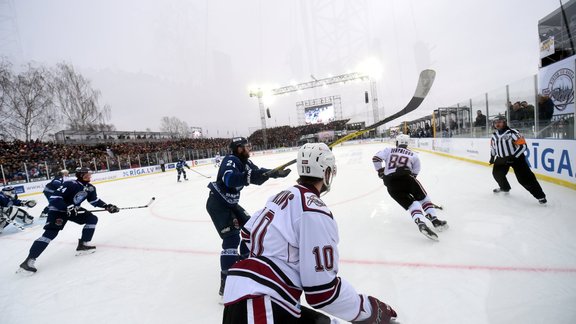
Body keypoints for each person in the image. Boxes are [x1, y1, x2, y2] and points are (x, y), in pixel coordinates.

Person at [223, 143, 398, 324]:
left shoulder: (279, 196)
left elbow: (246, 236)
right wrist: (369, 309)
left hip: (246, 296)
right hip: (260, 304)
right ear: (327, 173)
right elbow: (322, 293)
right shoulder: (314, 211)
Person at [206, 137, 291, 297]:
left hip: (229, 203)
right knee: (231, 240)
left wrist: (274, 173)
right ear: (238, 148)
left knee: (249, 229)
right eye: (246, 146)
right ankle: (227, 283)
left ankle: (244, 265)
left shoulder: (245, 162)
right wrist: (252, 176)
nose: (249, 149)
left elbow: (257, 173)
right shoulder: (231, 160)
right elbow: (229, 179)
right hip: (218, 204)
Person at [18, 167, 119, 273]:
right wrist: (66, 207)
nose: (89, 176)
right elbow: (55, 198)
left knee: (92, 219)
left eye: (89, 174)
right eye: (86, 174)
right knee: (50, 234)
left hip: (73, 211)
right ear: (80, 175)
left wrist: (107, 206)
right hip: (58, 211)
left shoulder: (90, 188)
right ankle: (28, 261)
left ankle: (83, 244)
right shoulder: (70, 184)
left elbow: (94, 201)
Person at [372, 134, 448, 241]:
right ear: (407, 143)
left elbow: (376, 158)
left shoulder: (389, 150)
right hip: (407, 179)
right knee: (423, 198)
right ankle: (434, 219)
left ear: (397, 143)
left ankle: (421, 224)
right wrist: (411, 185)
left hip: (390, 184)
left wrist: (380, 171)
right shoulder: (414, 155)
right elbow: (415, 172)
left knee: (412, 204)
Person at [489, 115, 547, 204]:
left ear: (504, 122)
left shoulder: (513, 132)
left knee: (525, 179)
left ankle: (540, 196)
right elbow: (493, 147)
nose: (497, 124)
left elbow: (523, 146)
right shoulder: (494, 135)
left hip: (517, 158)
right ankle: (505, 188)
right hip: (501, 158)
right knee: (497, 174)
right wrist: (492, 157)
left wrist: (513, 157)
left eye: (500, 122)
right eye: (496, 122)